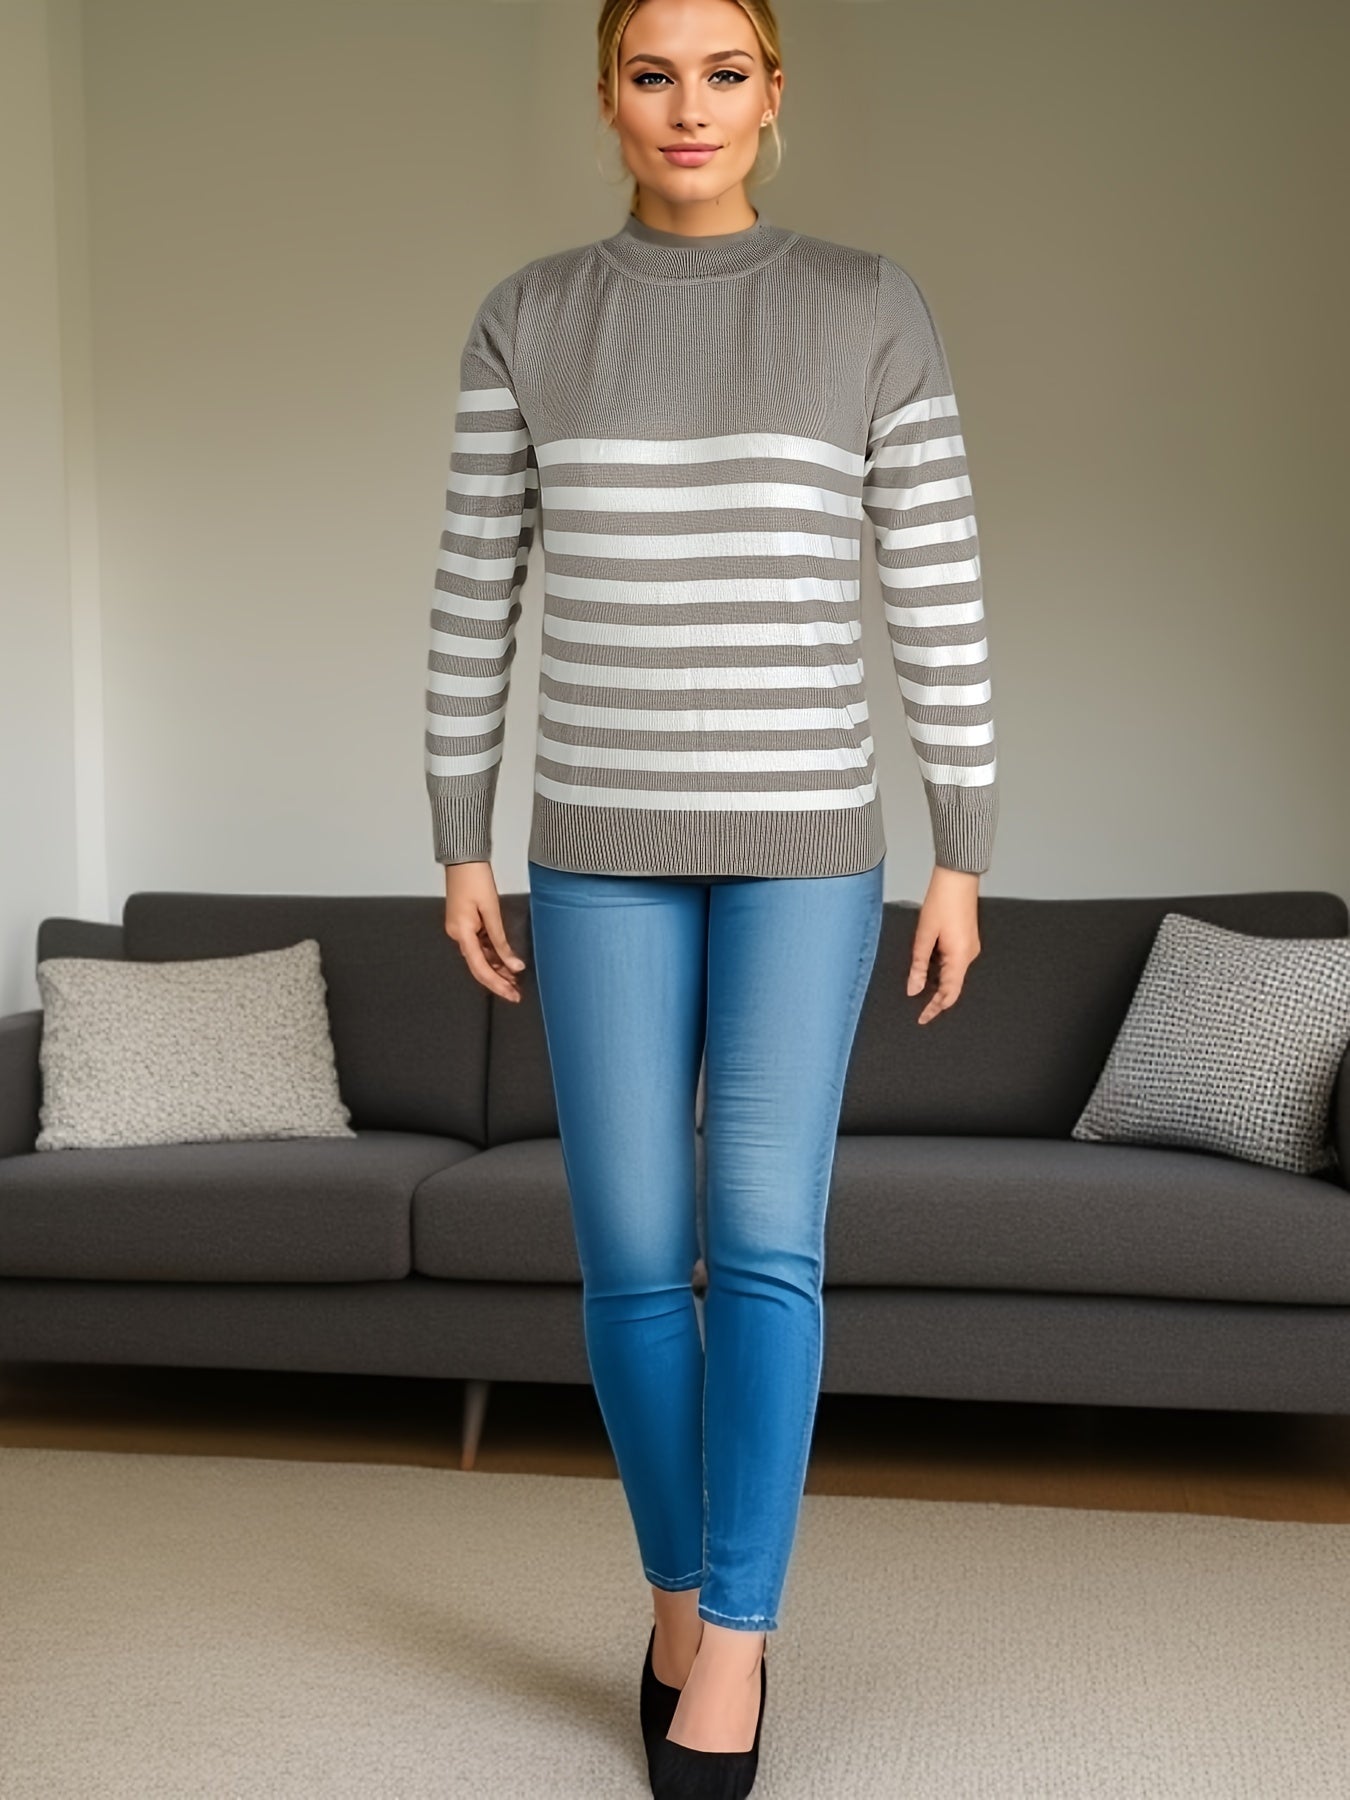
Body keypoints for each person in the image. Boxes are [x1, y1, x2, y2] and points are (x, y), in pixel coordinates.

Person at [424, 1, 998, 1790]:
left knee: (759, 1242)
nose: (690, 107)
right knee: (623, 1259)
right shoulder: (529, 318)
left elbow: (938, 587)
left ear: (770, 94)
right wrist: (458, 836)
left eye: (723, 72)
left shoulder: (865, 306)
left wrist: (964, 846)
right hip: (590, 854)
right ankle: (674, 1596)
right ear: (607, 97)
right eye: (653, 74)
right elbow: (471, 592)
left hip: (808, 857)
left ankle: (734, 1640)